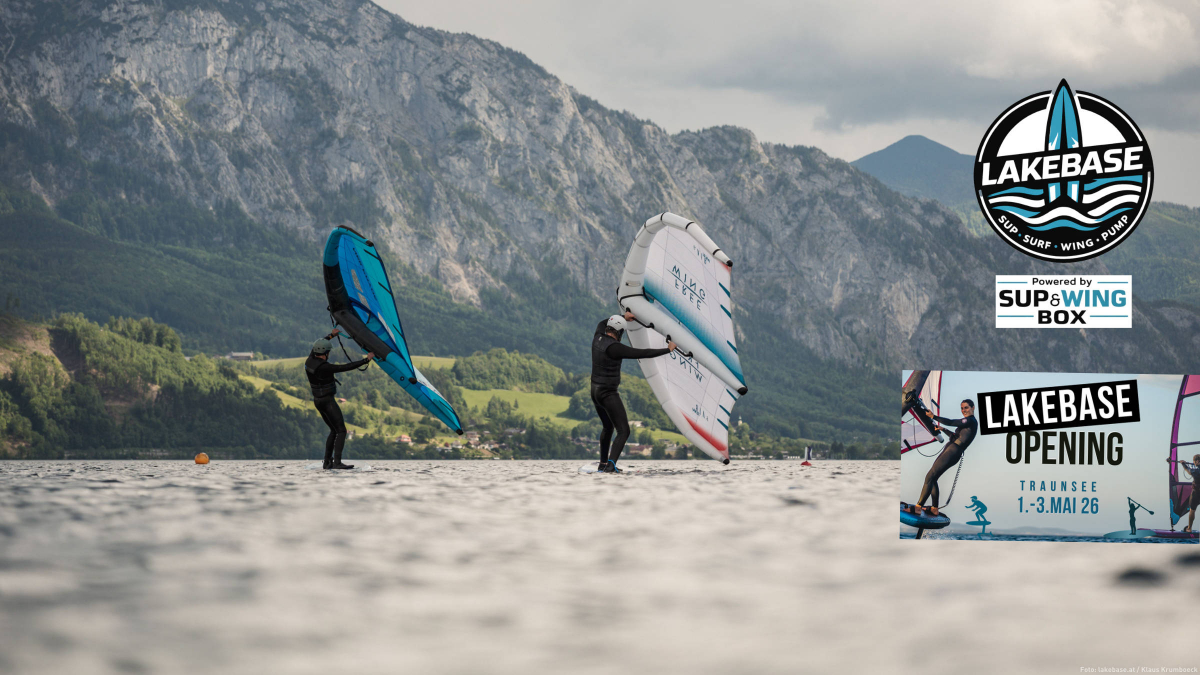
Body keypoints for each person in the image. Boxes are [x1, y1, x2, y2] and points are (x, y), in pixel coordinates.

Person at [590, 311, 676, 473]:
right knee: (624, 430)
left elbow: (603, 322)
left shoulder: (597, 336)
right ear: (620, 332)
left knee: (607, 427)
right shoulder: (615, 348)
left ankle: (602, 464)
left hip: (594, 391)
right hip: (608, 393)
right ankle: (611, 465)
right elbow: (641, 353)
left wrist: (623, 316)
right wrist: (668, 349)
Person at [305, 327, 373, 470]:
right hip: (327, 401)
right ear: (326, 353)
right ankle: (337, 462)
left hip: (318, 401)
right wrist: (366, 360)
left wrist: (331, 335)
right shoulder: (325, 367)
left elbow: (320, 343)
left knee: (333, 430)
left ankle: (327, 462)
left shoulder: (310, 360)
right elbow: (345, 367)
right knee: (341, 430)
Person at [906, 399, 978, 517]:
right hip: (952, 449)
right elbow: (955, 437)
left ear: (973, 408)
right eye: (962, 408)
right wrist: (943, 429)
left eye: (966, 408)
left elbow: (951, 422)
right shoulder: (967, 424)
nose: (963, 410)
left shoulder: (970, 421)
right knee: (933, 478)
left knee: (929, 477)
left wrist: (934, 416)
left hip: (952, 452)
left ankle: (918, 507)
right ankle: (934, 509)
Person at [1167, 454, 1200, 533]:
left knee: (1192, 510)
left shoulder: (1196, 470)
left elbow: (1189, 471)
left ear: (1196, 461)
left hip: (1196, 493)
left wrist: (1184, 464)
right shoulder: (1196, 469)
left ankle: (1189, 528)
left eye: (1194, 461)